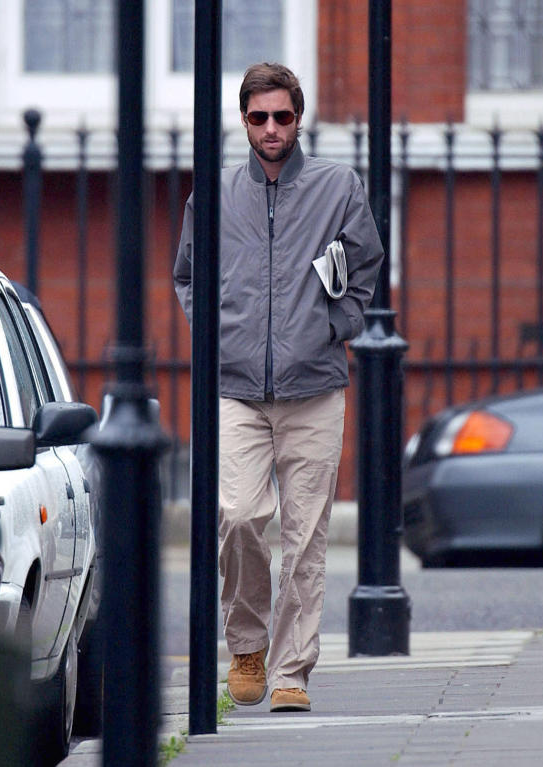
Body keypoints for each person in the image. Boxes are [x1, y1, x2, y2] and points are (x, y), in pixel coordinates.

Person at [174, 63, 384, 713]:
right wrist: (215, 336)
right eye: (259, 116)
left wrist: (334, 326)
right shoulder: (214, 193)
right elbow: (188, 278)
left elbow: (367, 266)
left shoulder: (336, 186)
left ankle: (293, 667)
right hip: (235, 387)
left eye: (283, 116)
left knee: (305, 535)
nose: (271, 127)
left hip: (314, 386)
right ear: (244, 120)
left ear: (299, 118)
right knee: (237, 516)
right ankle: (246, 644)